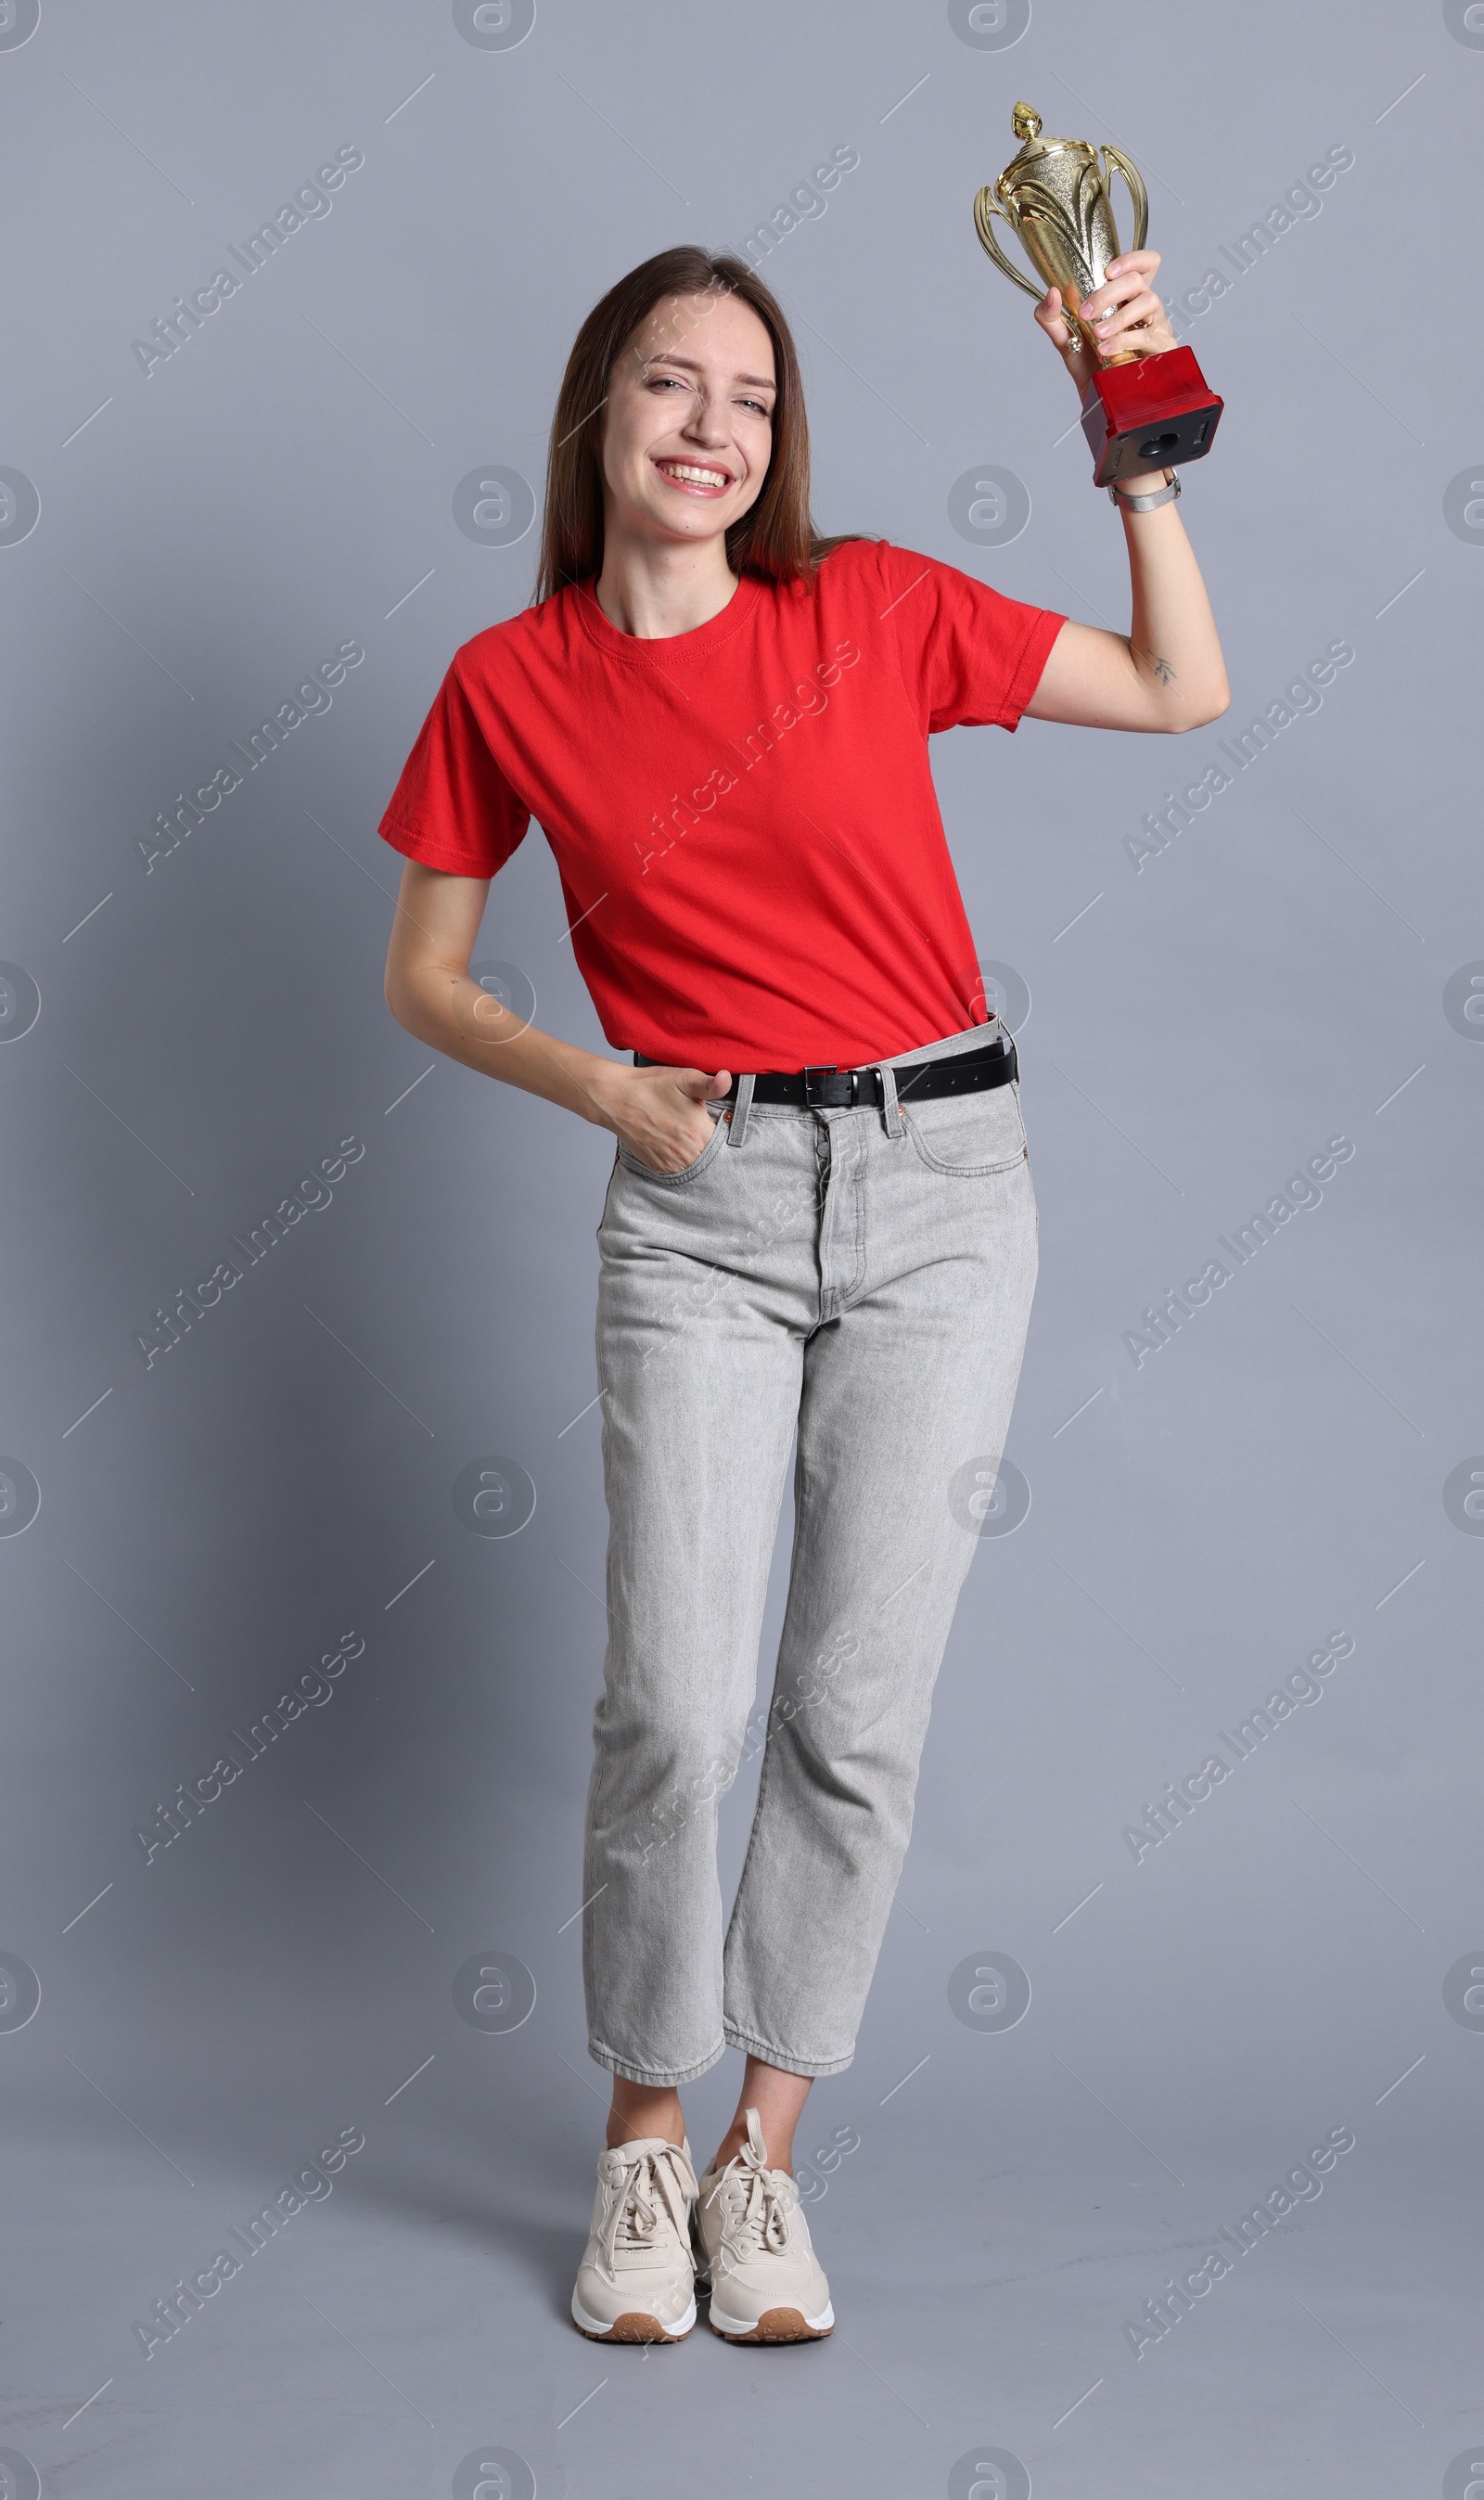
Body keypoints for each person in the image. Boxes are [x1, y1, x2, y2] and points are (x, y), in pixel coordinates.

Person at [377, 243, 1227, 2347]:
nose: (708, 428)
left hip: (945, 1190)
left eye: (748, 398)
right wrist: (595, 1081)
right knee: (671, 1700)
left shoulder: (862, 607)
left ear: (779, 440)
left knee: (852, 1713)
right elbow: (420, 973)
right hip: (696, 1206)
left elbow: (1175, 684)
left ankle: (759, 2160)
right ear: (598, 416)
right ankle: (638, 2140)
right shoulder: (510, 680)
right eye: (667, 386)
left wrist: (1127, 426)